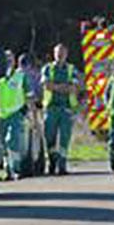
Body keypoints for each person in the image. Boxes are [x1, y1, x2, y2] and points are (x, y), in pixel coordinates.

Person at [41, 43, 82, 175]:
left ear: (66, 54)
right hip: (51, 108)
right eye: (58, 53)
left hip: (66, 108)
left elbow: (74, 88)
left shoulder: (72, 69)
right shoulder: (47, 68)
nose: (60, 55)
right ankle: (52, 162)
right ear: (54, 54)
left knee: (65, 137)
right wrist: (64, 87)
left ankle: (62, 165)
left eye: (62, 53)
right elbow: (46, 85)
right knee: (49, 137)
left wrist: (56, 86)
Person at [0, 50, 28, 180]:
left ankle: (16, 168)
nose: (8, 61)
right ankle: (7, 170)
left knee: (13, 141)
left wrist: (33, 114)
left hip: (16, 113)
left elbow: (29, 94)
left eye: (11, 59)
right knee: (2, 143)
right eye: (6, 59)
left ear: (15, 61)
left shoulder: (20, 76)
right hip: (0, 114)